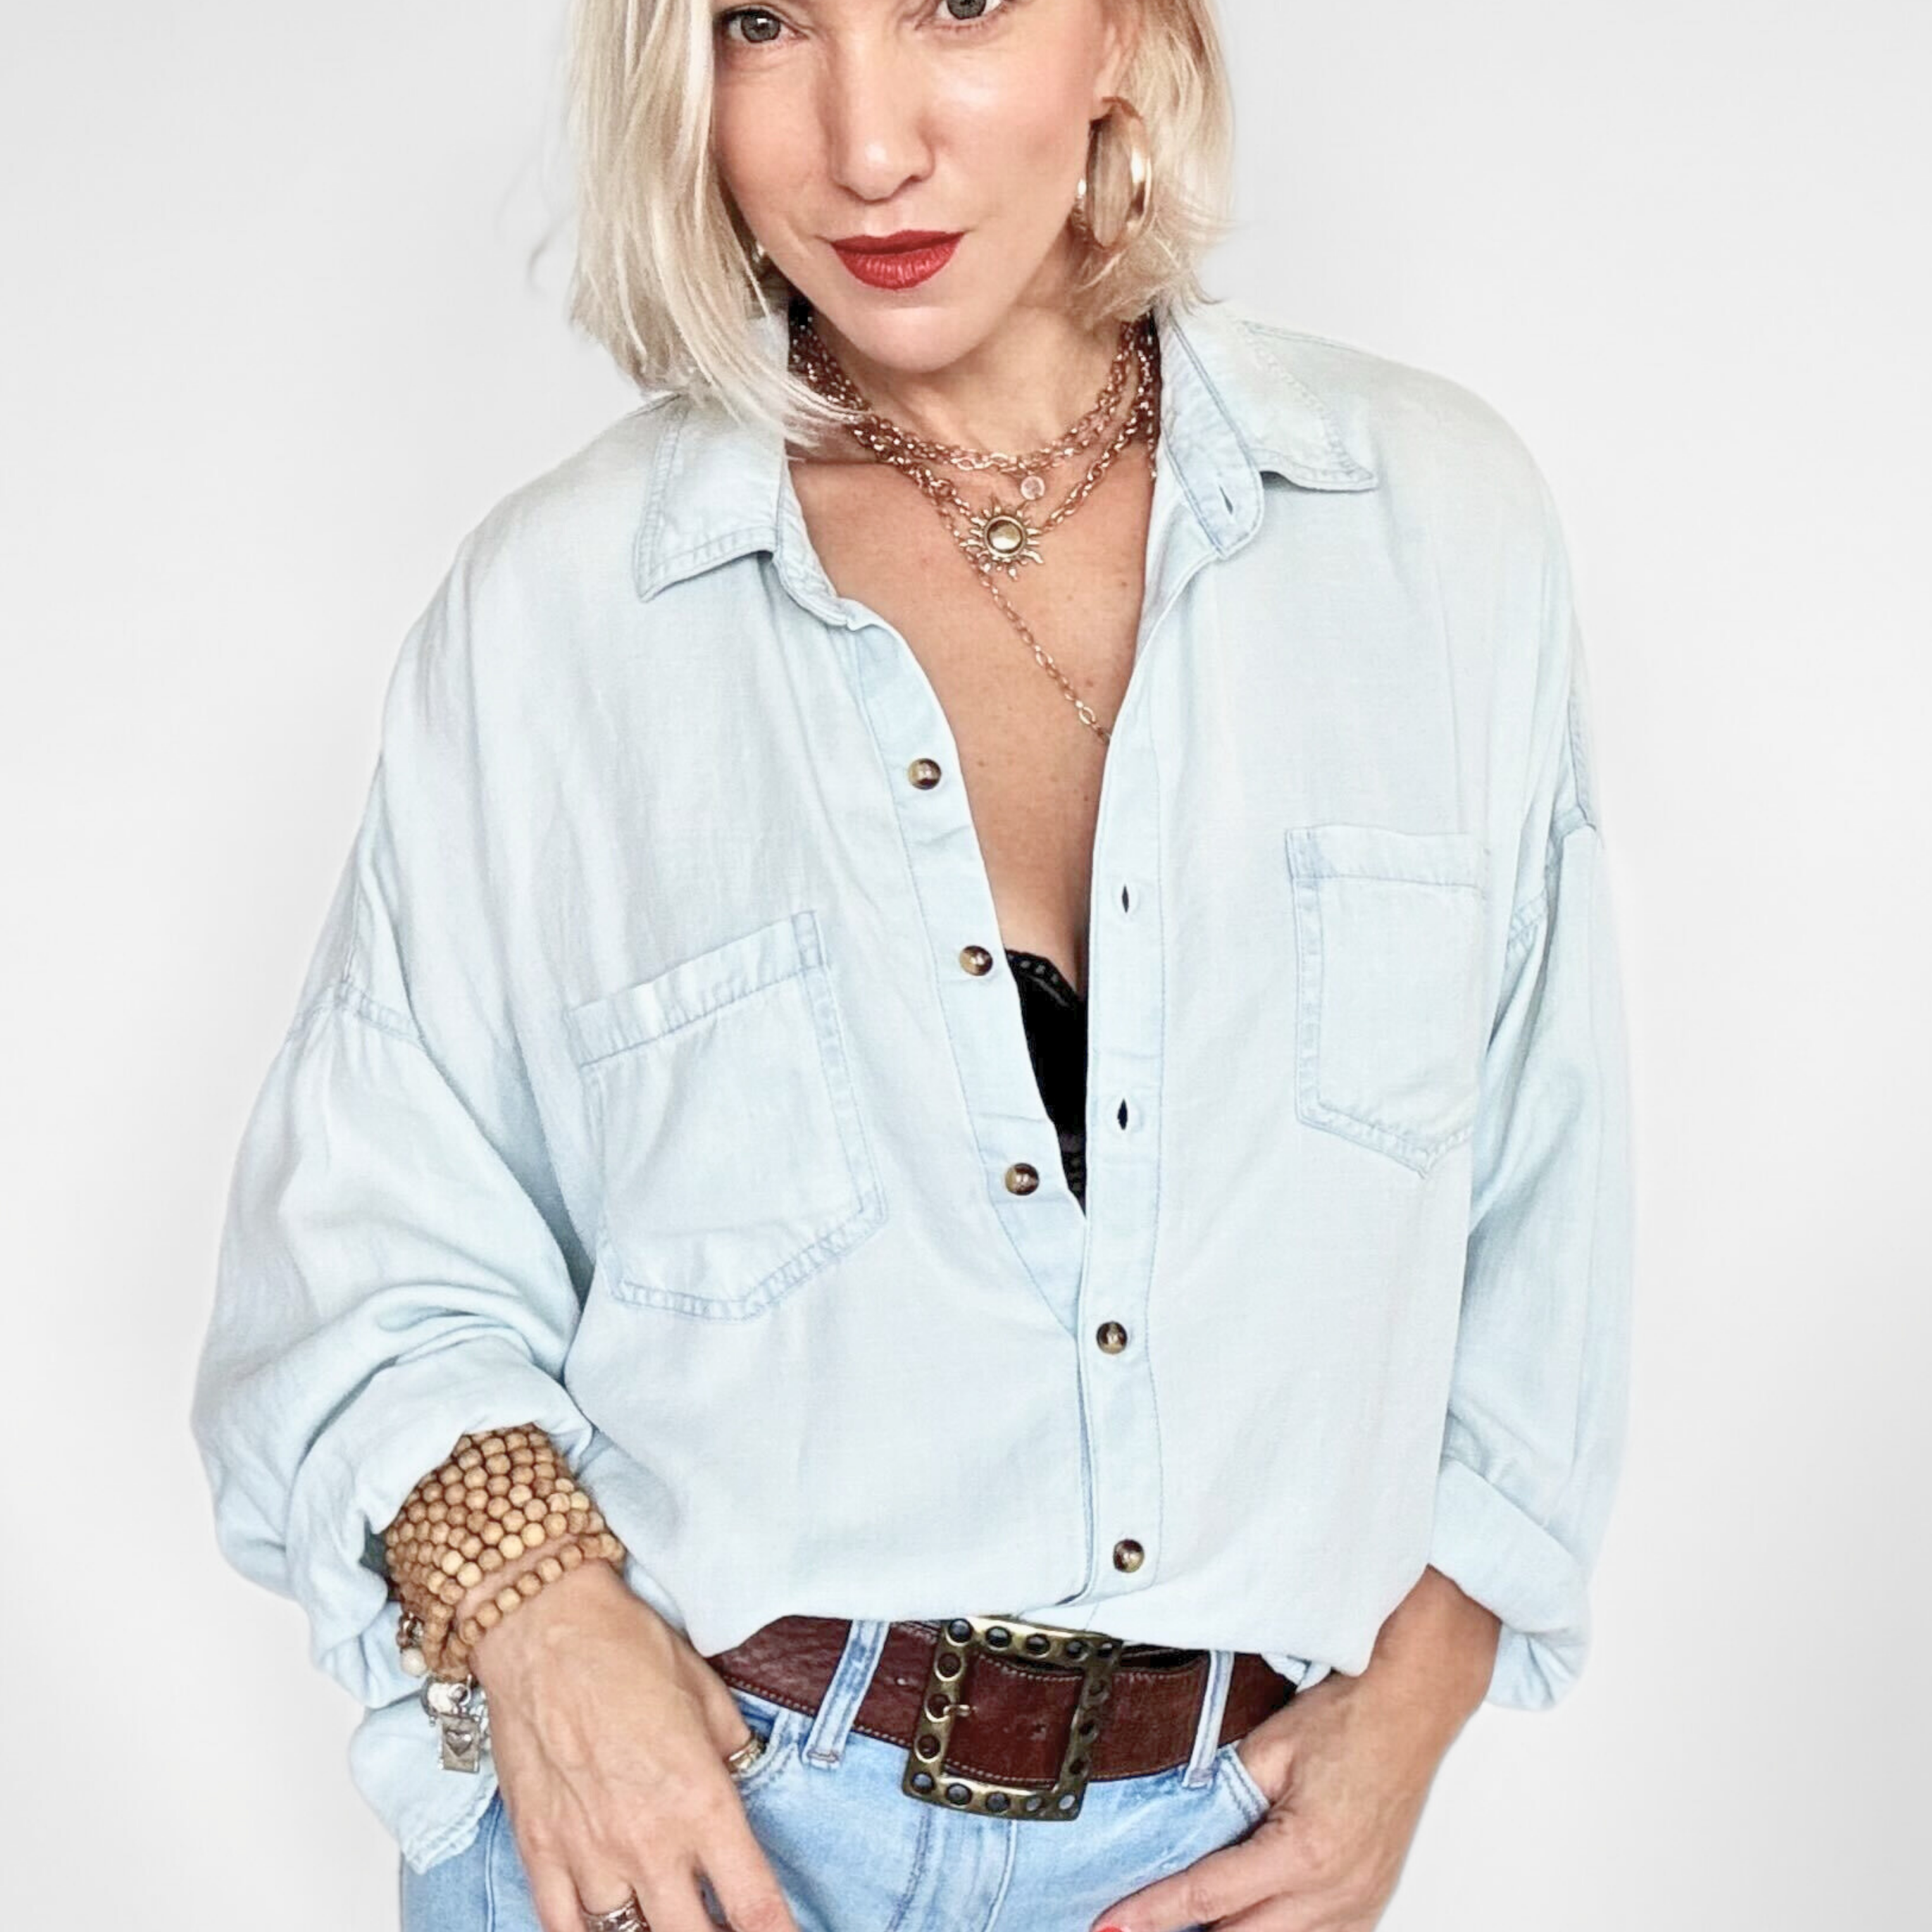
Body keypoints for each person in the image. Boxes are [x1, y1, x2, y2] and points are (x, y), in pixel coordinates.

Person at [190, 1, 1635, 1928]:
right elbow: (359, 1259)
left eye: (957, 1)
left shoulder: (1429, 533)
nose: (867, 145)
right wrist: (547, 1634)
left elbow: (1542, 1187)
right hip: (688, 1835)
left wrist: (1420, 1694)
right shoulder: (564, 613)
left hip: (1212, 1854)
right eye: (763, 23)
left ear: (1123, 34)